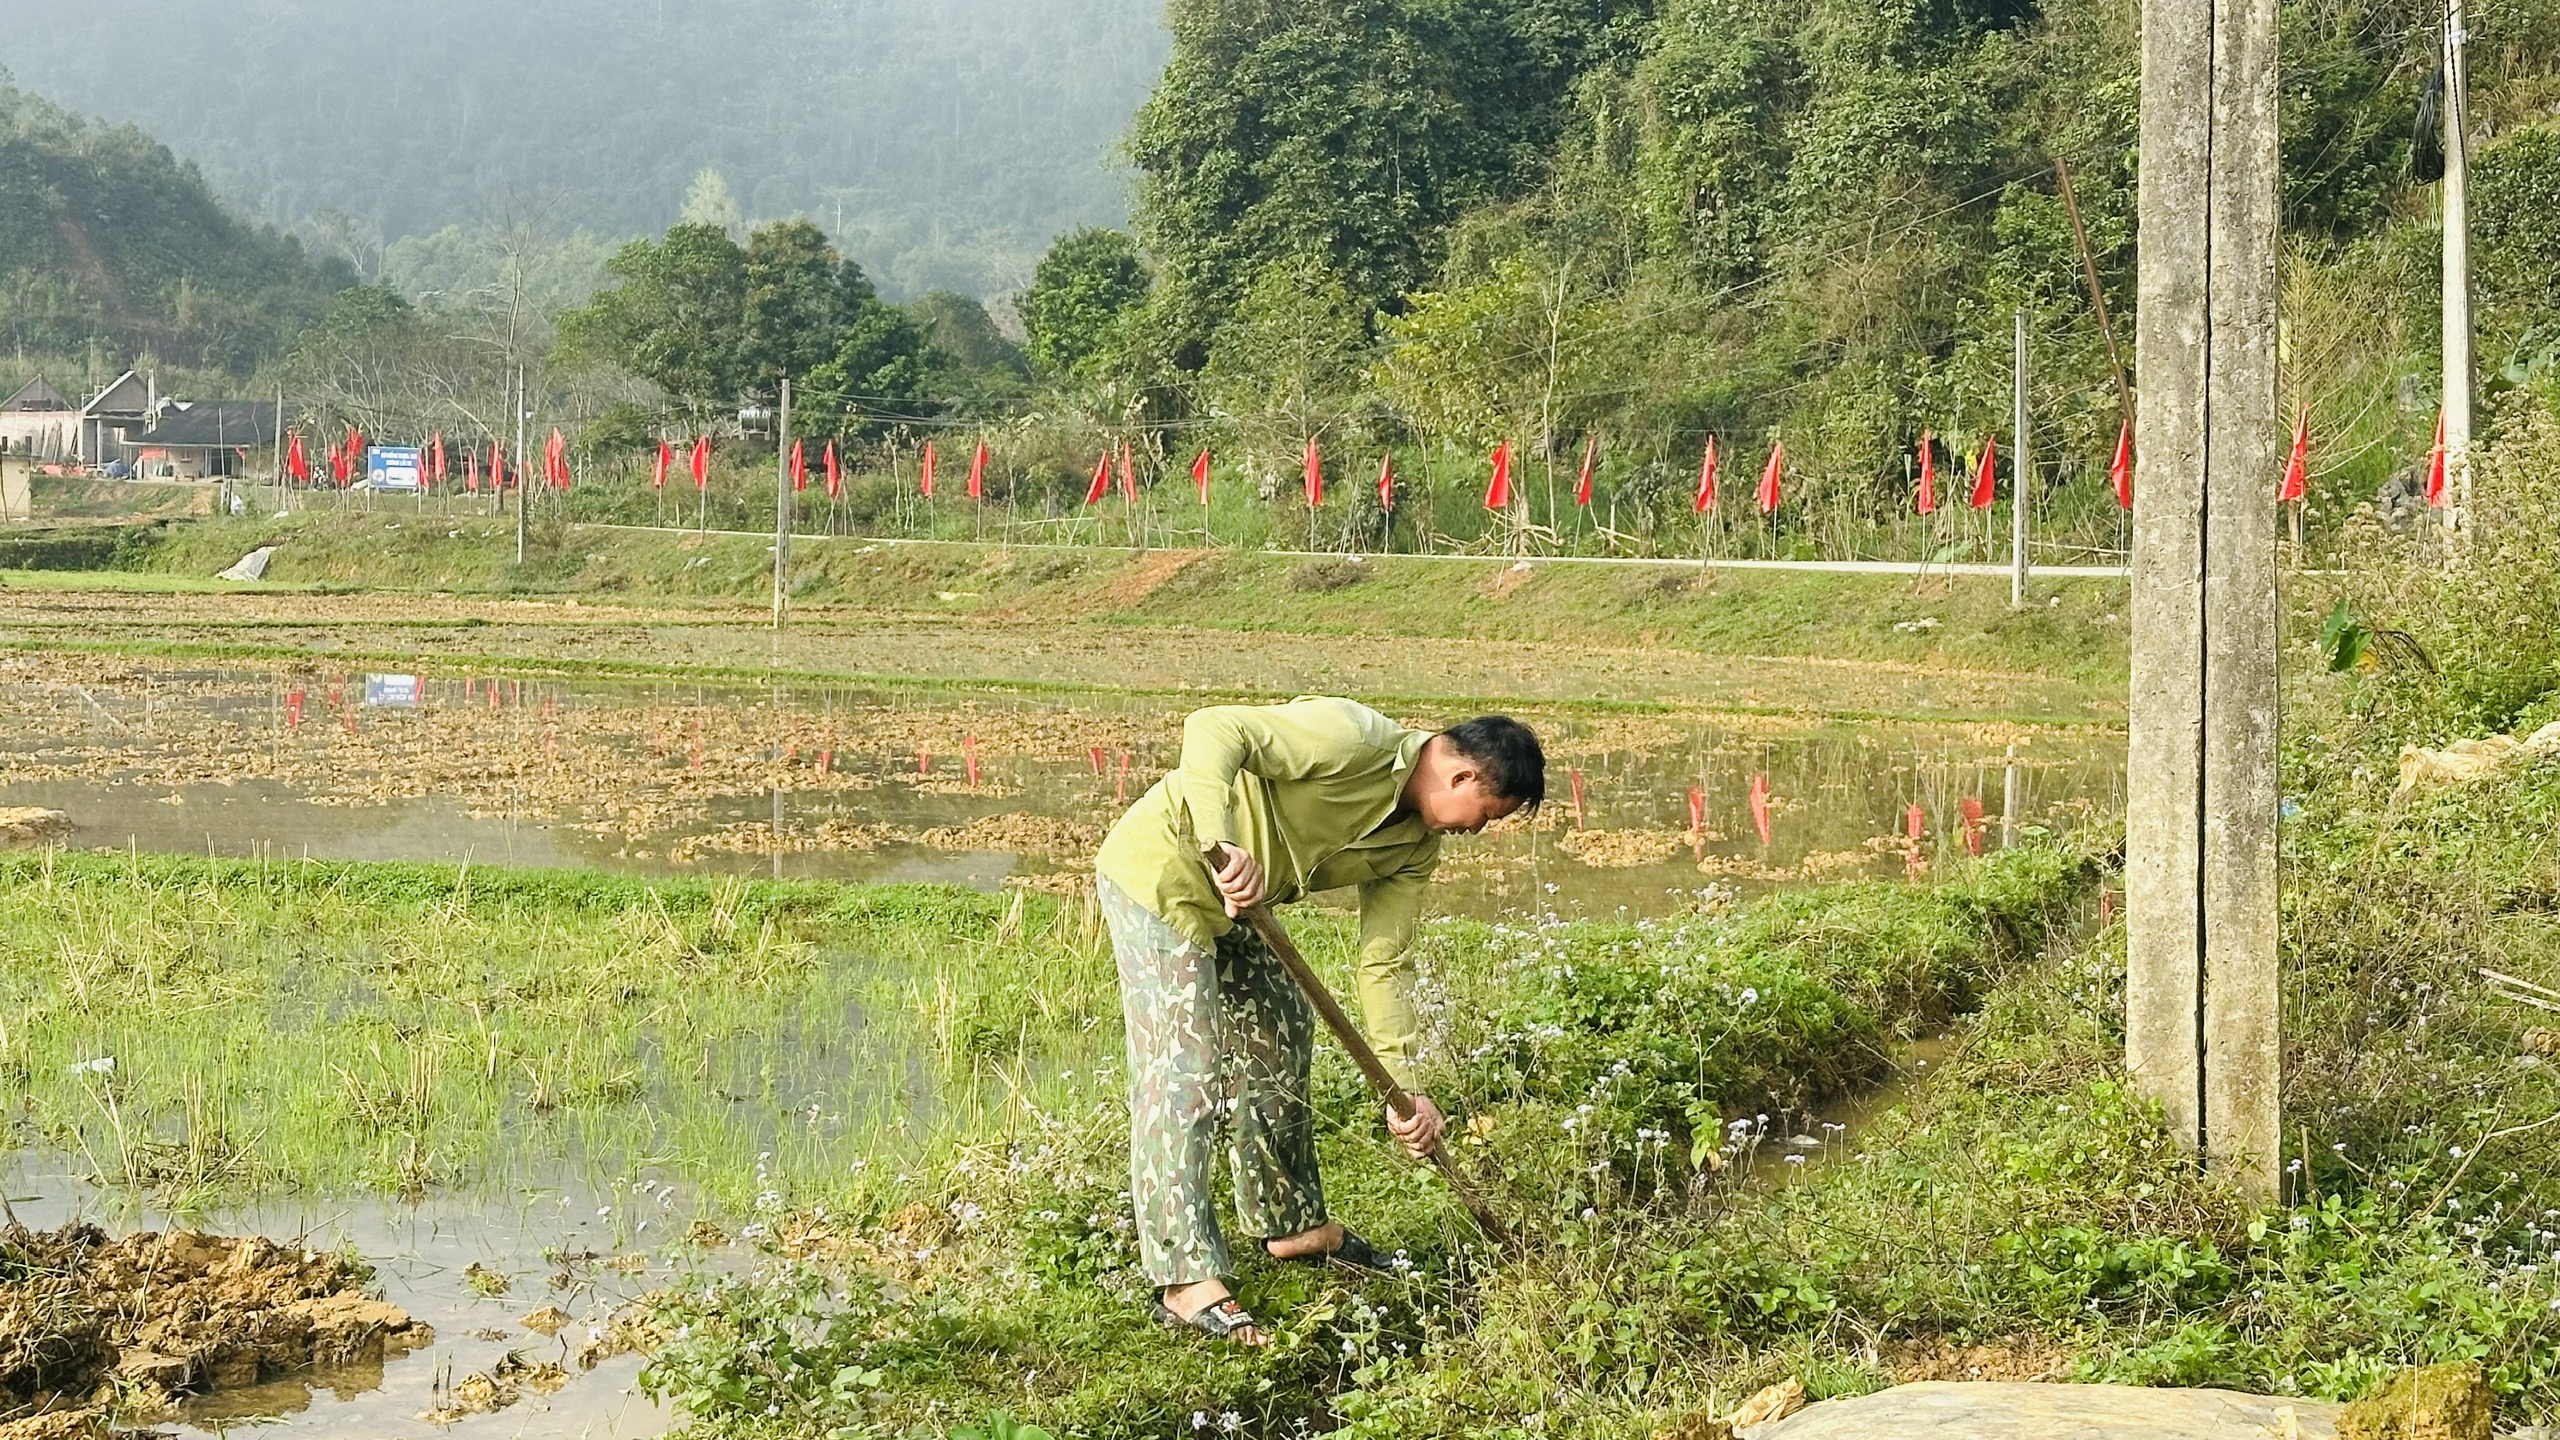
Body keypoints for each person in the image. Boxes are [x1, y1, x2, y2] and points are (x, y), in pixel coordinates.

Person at [1093, 697, 1545, 1345]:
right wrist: (1221, 841)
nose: (1477, 831)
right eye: (1487, 816)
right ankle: (1183, 1277)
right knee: (1185, 1068)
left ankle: (1291, 1224)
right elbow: (1214, 727)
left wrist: (1404, 1088)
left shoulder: (1414, 849)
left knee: (1281, 1033)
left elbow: (1386, 963)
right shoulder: (1352, 738)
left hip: (1239, 906)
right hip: (1162, 869)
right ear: (1463, 776)